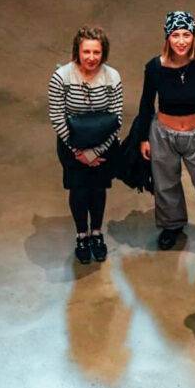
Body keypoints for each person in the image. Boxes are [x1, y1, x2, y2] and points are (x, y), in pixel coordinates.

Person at [137, 11, 195, 249]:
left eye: (186, 34)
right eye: (175, 35)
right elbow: (146, 103)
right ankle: (172, 226)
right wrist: (143, 138)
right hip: (163, 133)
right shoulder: (154, 67)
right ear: (167, 38)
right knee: (166, 184)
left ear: (193, 37)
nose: (181, 41)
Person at [48, 26, 123, 264]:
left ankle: (97, 232)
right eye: (86, 52)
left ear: (104, 53)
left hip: (103, 145)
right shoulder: (61, 77)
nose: (91, 58)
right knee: (79, 190)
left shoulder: (112, 77)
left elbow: (117, 117)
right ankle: (82, 234)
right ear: (77, 52)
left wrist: (96, 152)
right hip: (72, 147)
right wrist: (77, 152)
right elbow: (56, 115)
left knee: (98, 189)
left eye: (97, 52)